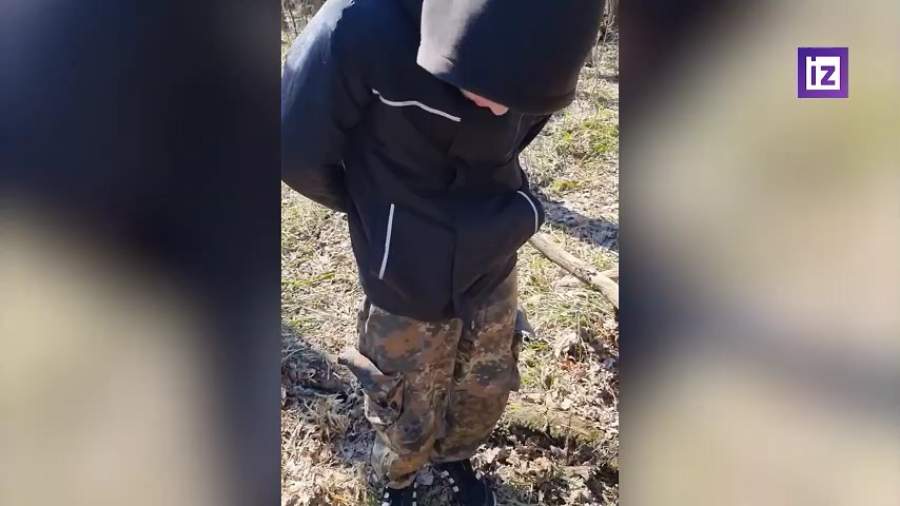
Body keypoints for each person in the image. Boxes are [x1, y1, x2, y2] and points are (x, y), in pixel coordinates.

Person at [282, 0, 603, 504]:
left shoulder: (550, 32)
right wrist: (375, 210)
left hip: (494, 244)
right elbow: (294, 148)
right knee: (404, 395)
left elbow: (525, 131)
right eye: (494, 88)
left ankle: (456, 458)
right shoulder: (359, 25)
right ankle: (400, 479)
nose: (501, 110)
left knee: (484, 380)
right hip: (404, 263)